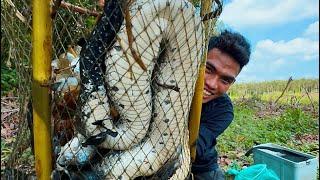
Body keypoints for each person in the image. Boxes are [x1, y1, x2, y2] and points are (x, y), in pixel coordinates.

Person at [191, 30, 251, 180]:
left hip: (202, 167)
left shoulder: (223, 110)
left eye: (225, 80)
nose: (211, 84)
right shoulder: (168, 84)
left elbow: (194, 147)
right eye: (208, 69)